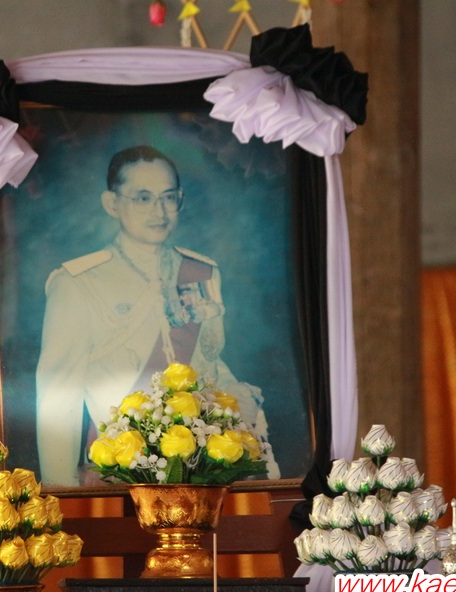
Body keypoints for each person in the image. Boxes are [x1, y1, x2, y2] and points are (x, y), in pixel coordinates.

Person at [35, 145, 278, 486]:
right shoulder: (77, 283)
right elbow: (57, 400)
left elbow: (208, 361)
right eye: (143, 198)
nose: (159, 211)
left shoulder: (202, 272)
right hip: (117, 475)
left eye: (168, 197)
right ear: (112, 203)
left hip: (200, 472)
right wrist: (64, 495)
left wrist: (236, 399)